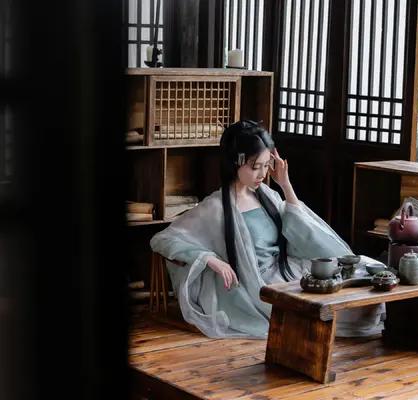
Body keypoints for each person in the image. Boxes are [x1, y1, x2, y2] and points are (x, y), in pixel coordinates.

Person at [150, 120, 385, 338]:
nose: (262, 174)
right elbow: (163, 238)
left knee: (366, 272)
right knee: (333, 309)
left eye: (265, 165)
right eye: (255, 167)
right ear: (236, 162)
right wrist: (210, 259)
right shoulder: (215, 207)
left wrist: (285, 184)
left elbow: (303, 232)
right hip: (261, 284)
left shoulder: (267, 195)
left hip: (287, 270)